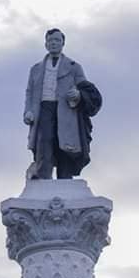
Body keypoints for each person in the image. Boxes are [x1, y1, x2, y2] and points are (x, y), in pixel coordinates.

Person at [23, 28, 101, 179]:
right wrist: (28, 111)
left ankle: (65, 178)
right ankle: (43, 176)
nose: (53, 44)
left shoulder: (74, 67)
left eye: (57, 40)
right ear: (46, 44)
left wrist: (79, 95)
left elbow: (85, 88)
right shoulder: (36, 69)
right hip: (44, 108)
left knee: (64, 144)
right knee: (44, 142)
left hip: (66, 111)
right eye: (50, 41)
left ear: (63, 43)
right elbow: (30, 92)